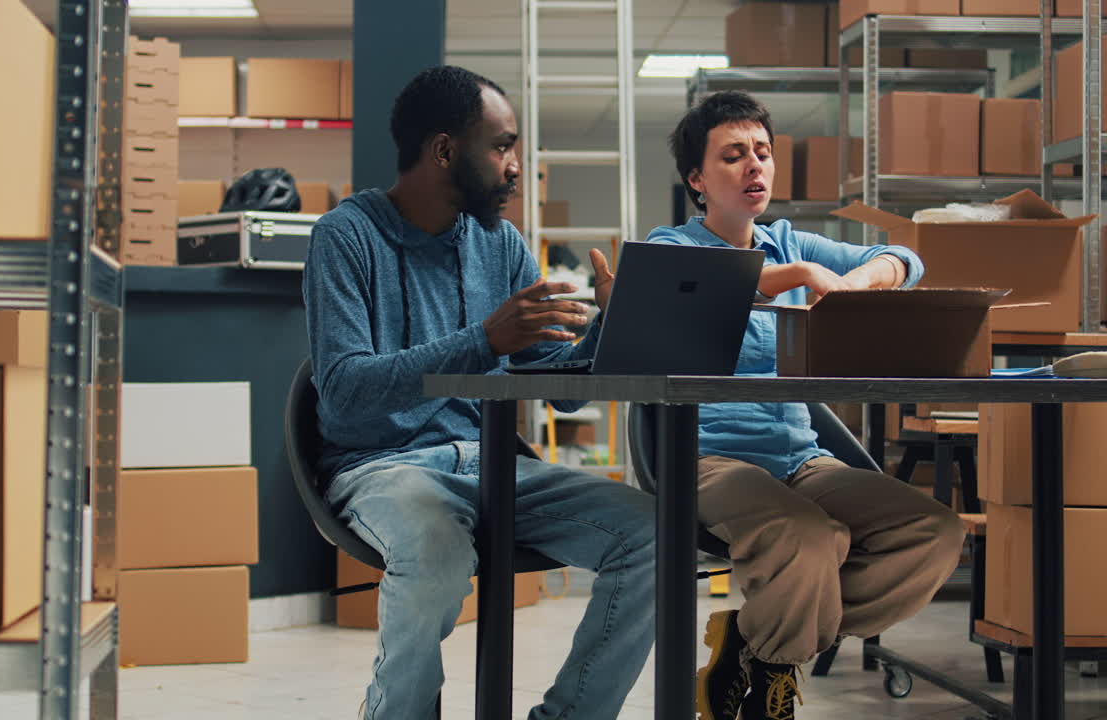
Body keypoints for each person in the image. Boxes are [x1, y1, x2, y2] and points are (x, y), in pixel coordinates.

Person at [303, 65, 657, 720]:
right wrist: (484, 340)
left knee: (652, 534)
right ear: (444, 151)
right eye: (502, 146)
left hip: (493, 461)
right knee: (436, 553)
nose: (516, 166)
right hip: (383, 468)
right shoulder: (345, 237)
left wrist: (614, 326)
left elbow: (564, 394)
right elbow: (345, 391)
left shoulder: (501, 244)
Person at [649, 90, 967, 720]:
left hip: (799, 458)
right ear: (697, 178)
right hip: (707, 457)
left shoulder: (791, 240)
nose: (754, 167)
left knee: (934, 532)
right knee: (810, 538)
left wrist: (853, 283)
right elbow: (696, 286)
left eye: (763, 153)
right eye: (734, 155)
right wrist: (797, 278)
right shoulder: (673, 248)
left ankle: (754, 637)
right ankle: (773, 677)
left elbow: (907, 258)